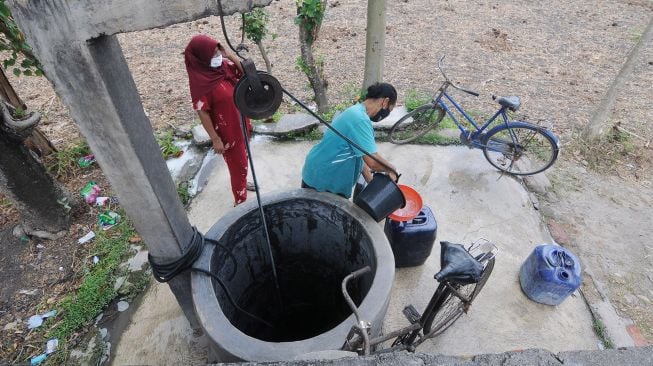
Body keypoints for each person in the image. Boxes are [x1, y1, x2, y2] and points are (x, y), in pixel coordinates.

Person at [184, 34, 253, 206]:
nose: (217, 57)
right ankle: (241, 202)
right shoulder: (201, 84)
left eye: (218, 52)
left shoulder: (223, 67)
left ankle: (242, 182)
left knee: (243, 160)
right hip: (227, 132)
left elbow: (247, 74)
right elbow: (203, 113)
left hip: (241, 122)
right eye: (213, 54)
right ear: (202, 58)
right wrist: (215, 139)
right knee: (238, 165)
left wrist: (229, 55)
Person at [301, 82, 399, 198]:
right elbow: (373, 162)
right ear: (385, 102)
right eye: (389, 109)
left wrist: (371, 182)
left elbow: (361, 155)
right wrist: (392, 169)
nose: (387, 114)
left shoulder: (357, 112)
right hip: (324, 180)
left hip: (318, 171)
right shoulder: (360, 120)